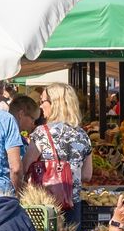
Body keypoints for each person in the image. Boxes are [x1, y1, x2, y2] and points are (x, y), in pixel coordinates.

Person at [28, 82, 93, 214]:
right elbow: (87, 175)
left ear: (55, 103)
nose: (40, 106)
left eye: (42, 101)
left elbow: (25, 167)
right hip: (72, 203)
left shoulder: (41, 133)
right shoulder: (82, 135)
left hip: (45, 204)